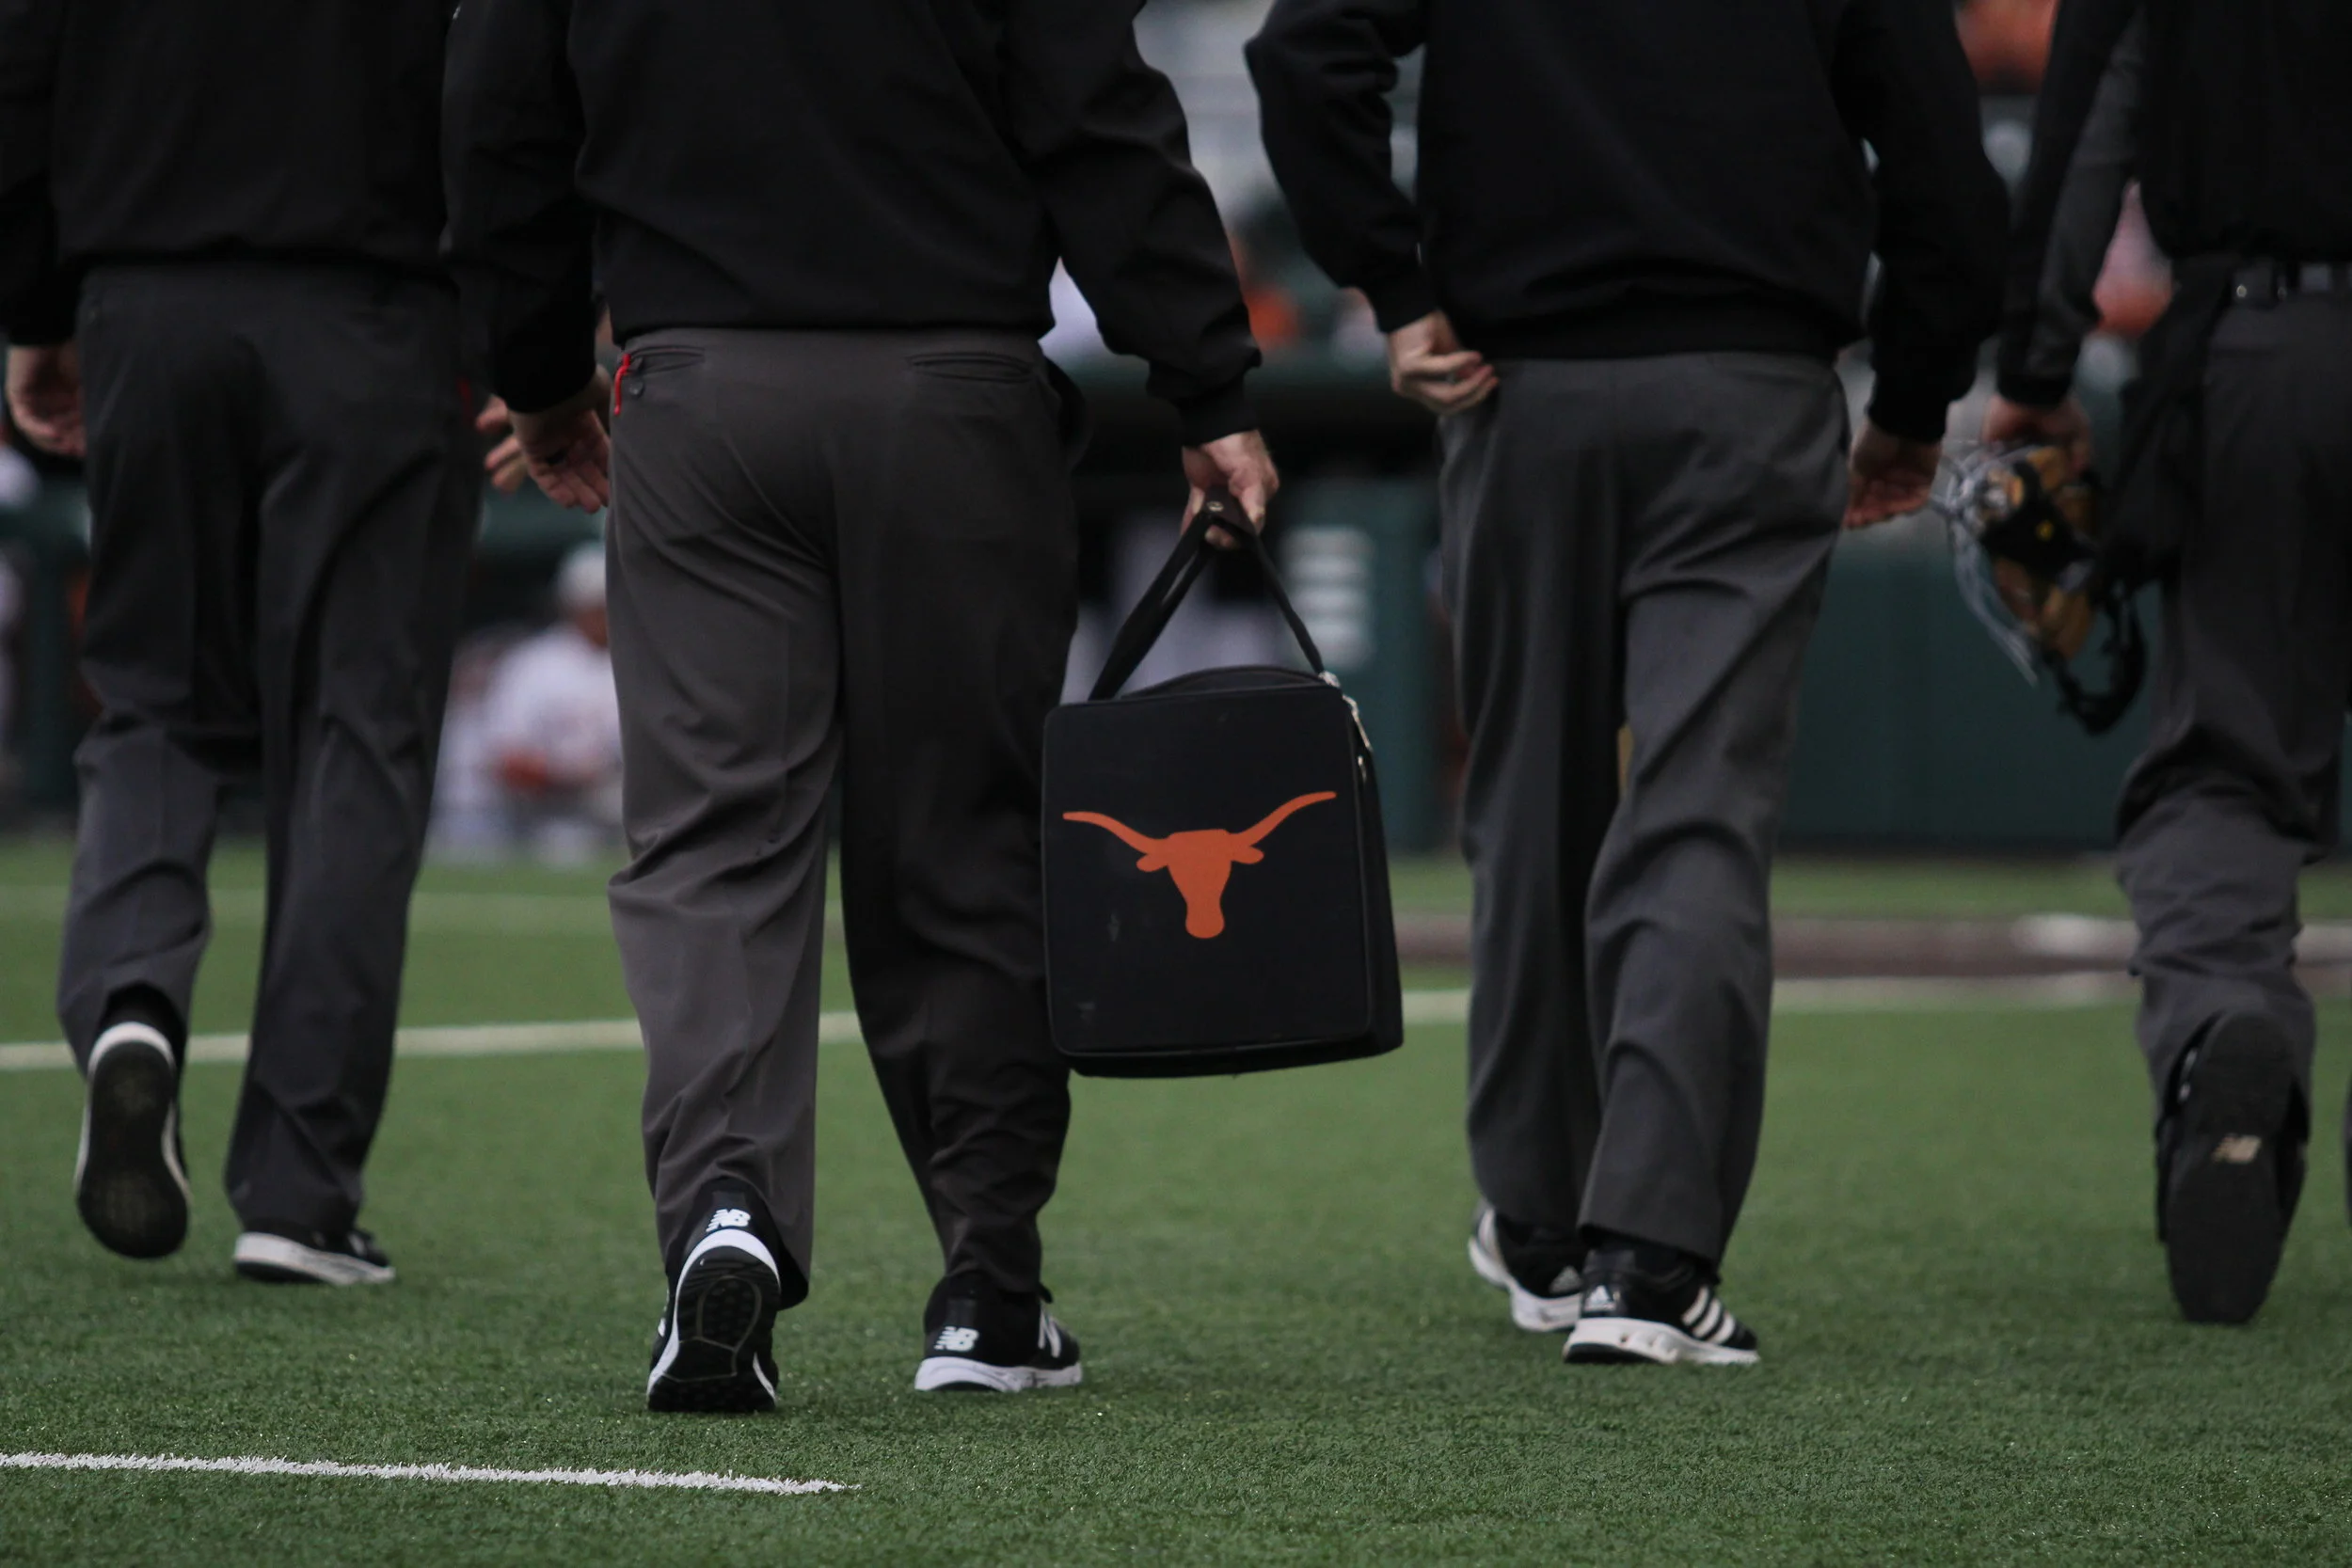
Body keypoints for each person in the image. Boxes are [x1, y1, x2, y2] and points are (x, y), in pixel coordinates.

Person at [445, 0, 1277, 1409]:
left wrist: (535, 372)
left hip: (697, 394)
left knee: (712, 845)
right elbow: (1100, 120)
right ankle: (988, 1292)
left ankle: (726, 1204)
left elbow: (495, 115)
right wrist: (1206, 379)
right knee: (961, 841)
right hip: (951, 395)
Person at [1251, 0, 2005, 1364]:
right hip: (1746, 388)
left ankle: (1540, 1220)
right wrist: (1913, 396)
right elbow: (1947, 161)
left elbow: (1304, 57)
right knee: (1697, 808)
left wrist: (1394, 284)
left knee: (1529, 804)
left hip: (1517, 384)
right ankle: (1650, 1257)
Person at [0, 0, 475, 1283]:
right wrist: (529, 312)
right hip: (373, 307)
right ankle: (299, 1192)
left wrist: (37, 299)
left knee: (154, 701)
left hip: (144, 295)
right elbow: (506, 61)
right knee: (353, 728)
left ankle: (131, 1003)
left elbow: (26, 62)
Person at [1985, 0, 2352, 1324]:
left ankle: (2218, 1030)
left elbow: (2087, 127)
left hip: (2258, 348)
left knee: (2223, 766)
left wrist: (2032, 364)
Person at [479, 544, 623, 860]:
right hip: (550, 823)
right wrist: (570, 775)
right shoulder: (534, 664)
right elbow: (505, 759)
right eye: (596, 605)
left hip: (632, 816)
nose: (605, 614)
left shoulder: (642, 662)